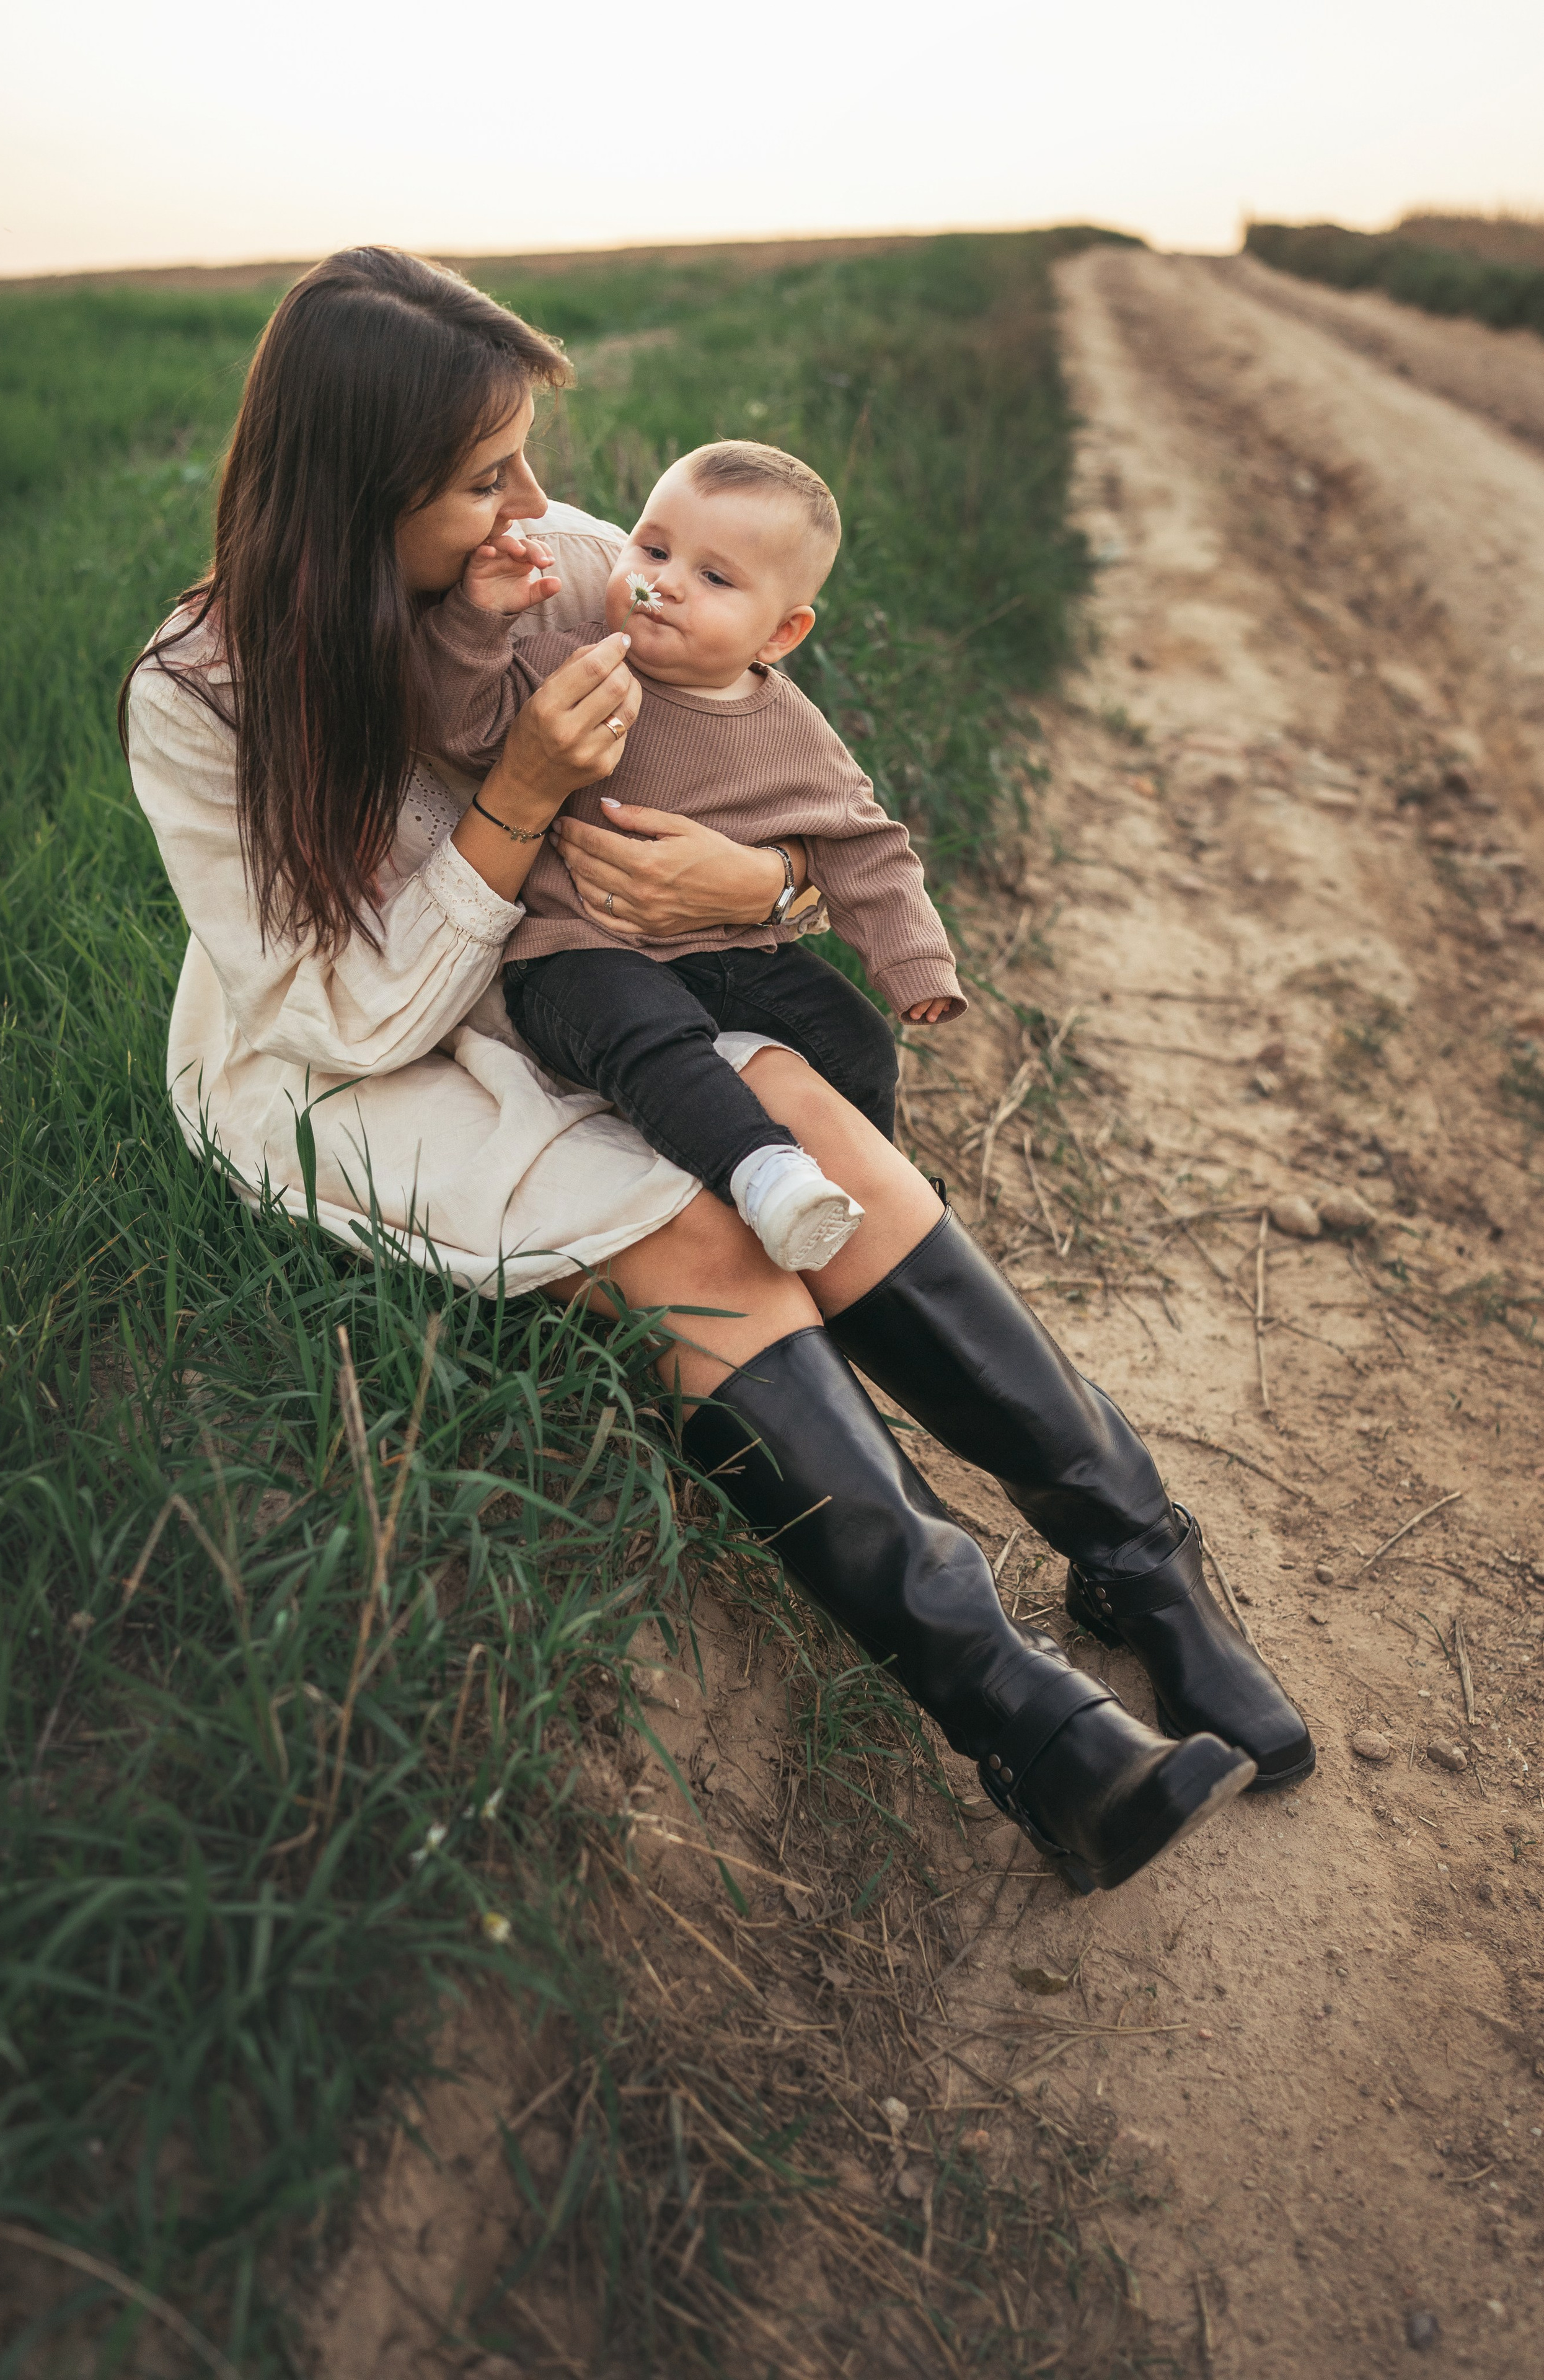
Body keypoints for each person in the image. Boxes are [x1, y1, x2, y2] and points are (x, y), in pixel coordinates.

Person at [121, 245, 1312, 1902]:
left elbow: (776, 781)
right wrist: (521, 795)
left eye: (528, 455)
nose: (542, 504)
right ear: (358, 495)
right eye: (485, 476)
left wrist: (766, 895)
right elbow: (356, 1017)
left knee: (804, 1115)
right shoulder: (203, 695)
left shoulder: (573, 566)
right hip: (351, 1053)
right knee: (695, 1230)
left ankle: (1139, 1560)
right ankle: (1030, 1731)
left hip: (576, 978)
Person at [411, 438, 963, 1276]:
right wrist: (478, 620)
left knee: (853, 1043)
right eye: (654, 549)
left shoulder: (794, 732)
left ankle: (876, 1218)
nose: (663, 582)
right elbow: (462, 727)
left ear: (780, 633)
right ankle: (762, 1172)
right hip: (580, 954)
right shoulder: (569, 665)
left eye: (715, 577)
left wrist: (915, 962)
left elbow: (866, 848)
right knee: (653, 1037)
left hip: (726, 952)